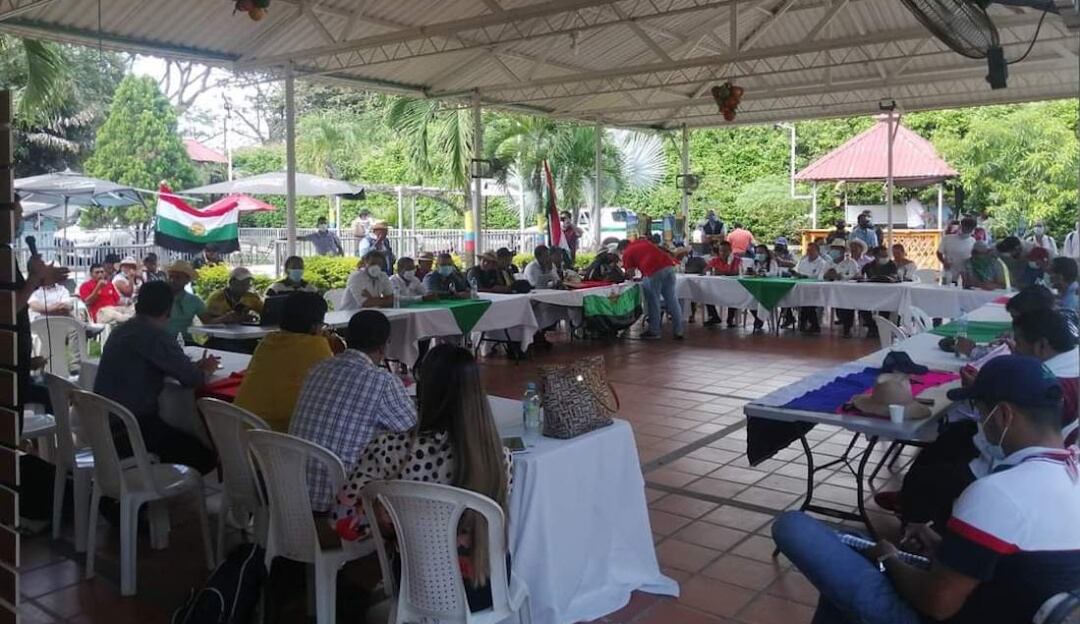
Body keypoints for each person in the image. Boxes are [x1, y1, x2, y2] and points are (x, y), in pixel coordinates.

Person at [773, 355, 1080, 624]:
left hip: (945, 613)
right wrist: (946, 551)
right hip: (1007, 602)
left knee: (795, 527)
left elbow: (938, 604)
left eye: (979, 409)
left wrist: (890, 559)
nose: (980, 422)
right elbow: (1016, 568)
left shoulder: (998, 492)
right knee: (854, 555)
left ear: (1002, 415)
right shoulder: (1070, 474)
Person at [333, 344, 512, 612]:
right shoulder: (499, 457)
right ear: (477, 392)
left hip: (413, 586)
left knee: (350, 584)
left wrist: (389, 523)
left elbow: (343, 521)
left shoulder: (388, 449)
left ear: (423, 390)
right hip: (485, 588)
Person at [899, 310, 1078, 530]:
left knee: (930, 478)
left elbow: (1001, 442)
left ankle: (918, 526)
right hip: (1031, 455)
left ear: (1041, 345)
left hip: (1008, 462)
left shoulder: (992, 496)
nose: (1013, 348)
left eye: (1018, 343)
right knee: (950, 439)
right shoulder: (1060, 372)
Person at [289, 310, 416, 513]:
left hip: (291, 493)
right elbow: (414, 432)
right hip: (339, 508)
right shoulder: (382, 382)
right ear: (384, 346)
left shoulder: (318, 369)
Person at [93, 281, 219, 474]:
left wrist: (188, 366)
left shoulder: (121, 331)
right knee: (207, 455)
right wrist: (207, 369)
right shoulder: (156, 336)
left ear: (138, 305)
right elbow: (194, 380)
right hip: (132, 429)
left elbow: (154, 364)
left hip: (103, 425)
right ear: (168, 310)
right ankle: (167, 494)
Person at [234, 292, 342, 432]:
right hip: (274, 438)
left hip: (236, 432)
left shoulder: (267, 341)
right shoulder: (316, 346)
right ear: (315, 326)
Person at [617, 237, 683, 340]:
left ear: (622, 249)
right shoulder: (643, 242)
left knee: (653, 301)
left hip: (653, 272)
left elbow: (630, 273)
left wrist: (627, 277)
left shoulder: (627, 252)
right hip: (669, 267)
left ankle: (654, 331)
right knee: (672, 300)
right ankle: (679, 330)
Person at [164, 261, 211, 341]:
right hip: (161, 343)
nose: (172, 280)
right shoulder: (158, 297)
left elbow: (208, 321)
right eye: (170, 277)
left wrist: (227, 317)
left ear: (187, 280)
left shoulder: (194, 300)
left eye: (178, 277)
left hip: (185, 342)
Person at [792, 242, 831, 334]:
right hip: (800, 288)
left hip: (816, 289)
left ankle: (810, 324)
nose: (809, 252)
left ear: (817, 251)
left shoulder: (822, 263)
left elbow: (819, 277)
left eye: (812, 250)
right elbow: (796, 272)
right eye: (808, 250)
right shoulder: (802, 261)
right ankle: (808, 324)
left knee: (808, 303)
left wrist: (805, 276)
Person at [704, 240, 741, 328]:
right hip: (717, 287)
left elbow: (735, 272)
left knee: (734, 296)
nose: (722, 253)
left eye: (725, 251)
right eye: (721, 250)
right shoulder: (715, 260)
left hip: (732, 287)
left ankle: (730, 319)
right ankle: (714, 316)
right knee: (705, 293)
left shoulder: (736, 260)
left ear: (730, 251)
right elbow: (706, 270)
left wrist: (724, 268)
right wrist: (719, 271)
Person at [937, 216, 976, 283]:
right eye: (965, 227)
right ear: (961, 226)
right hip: (949, 272)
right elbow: (939, 252)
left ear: (973, 229)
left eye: (970, 228)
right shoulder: (948, 239)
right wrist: (944, 262)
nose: (967, 229)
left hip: (965, 275)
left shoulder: (973, 241)